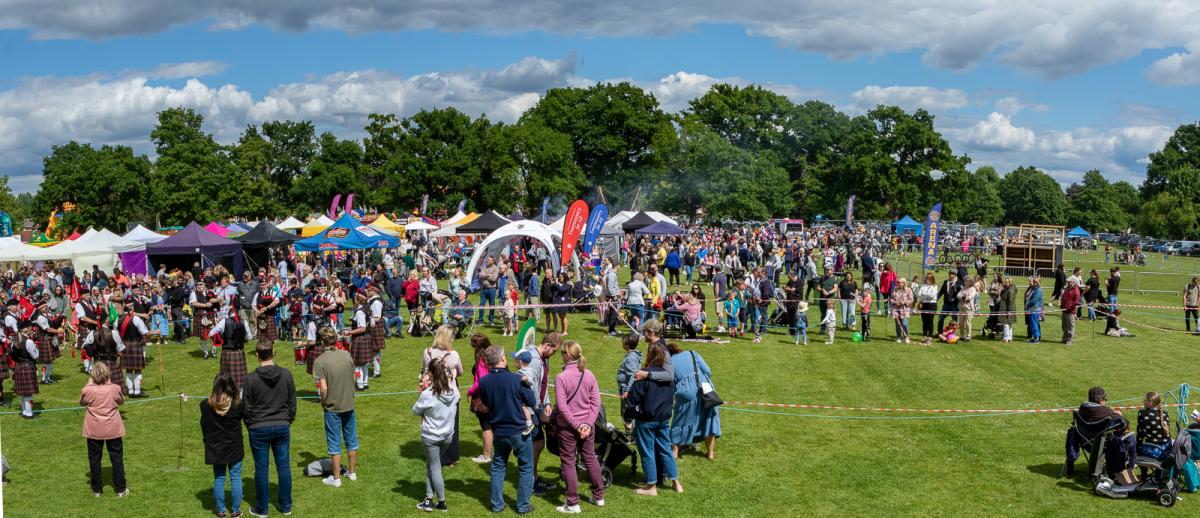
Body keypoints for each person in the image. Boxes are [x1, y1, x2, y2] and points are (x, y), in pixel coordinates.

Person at [475, 345, 538, 514]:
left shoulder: (484, 381)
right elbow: (532, 401)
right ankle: (523, 506)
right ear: (502, 359)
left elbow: (487, 403)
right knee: (526, 467)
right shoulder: (516, 379)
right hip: (519, 431)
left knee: (497, 466)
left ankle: (497, 505)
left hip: (499, 431)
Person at [242, 342, 297, 517]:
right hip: (275, 426)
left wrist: (252, 423)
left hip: (263, 426)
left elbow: (246, 407)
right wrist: (286, 420)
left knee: (262, 468)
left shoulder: (251, 379)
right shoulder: (253, 378)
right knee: (283, 466)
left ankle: (265, 508)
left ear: (257, 355)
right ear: (273, 352)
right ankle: (285, 506)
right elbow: (292, 403)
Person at [553, 340, 605, 513]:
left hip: (569, 427)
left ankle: (573, 503)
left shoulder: (561, 378)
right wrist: (587, 424)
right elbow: (596, 403)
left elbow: (562, 407)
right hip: (586, 426)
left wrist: (578, 425)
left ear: (567, 355)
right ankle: (599, 497)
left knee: (568, 462)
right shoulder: (589, 374)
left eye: (562, 353)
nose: (560, 356)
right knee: (590, 457)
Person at [625, 342, 681, 496]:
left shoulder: (643, 374)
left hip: (646, 420)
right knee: (665, 449)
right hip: (663, 418)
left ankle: (651, 486)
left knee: (647, 452)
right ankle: (676, 482)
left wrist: (628, 418)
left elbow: (632, 399)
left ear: (650, 355)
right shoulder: (668, 376)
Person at [413, 356, 460, 512]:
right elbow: (455, 394)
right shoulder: (453, 390)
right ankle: (428, 498)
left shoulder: (428, 394)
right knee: (432, 465)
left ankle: (441, 502)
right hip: (447, 436)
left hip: (431, 437)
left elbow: (415, 410)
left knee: (435, 467)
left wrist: (422, 391)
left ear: (431, 374)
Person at [314, 330, 358, 488]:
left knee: (334, 442)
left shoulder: (320, 361)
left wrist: (323, 403)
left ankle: (336, 478)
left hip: (333, 406)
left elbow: (323, 388)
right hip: (349, 403)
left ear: (322, 342)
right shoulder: (346, 355)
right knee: (351, 439)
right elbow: (353, 377)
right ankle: (352, 473)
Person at [201, 372, 245, 518]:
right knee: (235, 477)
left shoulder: (207, 405)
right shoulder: (237, 404)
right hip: (232, 446)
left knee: (220, 478)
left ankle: (222, 511)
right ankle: (235, 510)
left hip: (217, 447)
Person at [666, 342, 720, 460]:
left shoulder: (669, 362)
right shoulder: (692, 353)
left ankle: (674, 452)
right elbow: (708, 371)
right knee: (709, 420)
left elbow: (670, 382)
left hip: (686, 390)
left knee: (679, 420)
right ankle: (710, 454)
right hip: (706, 389)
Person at [81, 363, 127, 497]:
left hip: (95, 428)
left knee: (94, 459)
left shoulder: (87, 390)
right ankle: (120, 489)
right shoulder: (115, 388)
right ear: (107, 374)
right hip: (112, 427)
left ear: (92, 375)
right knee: (116, 458)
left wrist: (89, 384)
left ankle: (97, 490)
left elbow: (82, 402)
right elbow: (121, 401)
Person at [420, 326, 464, 467]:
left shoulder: (428, 352)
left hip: (432, 392)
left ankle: (435, 453)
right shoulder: (454, 355)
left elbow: (425, 370)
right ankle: (450, 457)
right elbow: (461, 372)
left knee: (433, 422)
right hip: (450, 393)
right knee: (452, 424)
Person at [210, 299, 255, 387]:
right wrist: (242, 338)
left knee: (226, 382)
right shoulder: (244, 322)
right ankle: (241, 398)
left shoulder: (224, 322)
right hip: (239, 352)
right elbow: (249, 337)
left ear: (230, 309)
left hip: (227, 353)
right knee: (240, 383)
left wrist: (221, 339)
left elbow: (211, 333)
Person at [11, 326, 40, 418]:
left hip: (18, 366)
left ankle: (25, 411)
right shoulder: (29, 341)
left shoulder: (15, 341)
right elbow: (35, 356)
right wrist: (37, 349)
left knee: (23, 392)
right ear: (28, 331)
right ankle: (29, 413)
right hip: (28, 367)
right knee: (28, 392)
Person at [347, 295, 373, 391]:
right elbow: (371, 323)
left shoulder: (359, 312)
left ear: (358, 301)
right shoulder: (365, 309)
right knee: (364, 364)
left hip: (360, 338)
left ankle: (360, 385)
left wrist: (349, 332)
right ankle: (365, 384)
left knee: (357, 364)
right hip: (366, 337)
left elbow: (362, 328)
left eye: (355, 298)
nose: (353, 300)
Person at [1136, 392, 1171, 458]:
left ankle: (1144, 468)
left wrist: (1137, 450)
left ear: (1150, 403)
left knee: (1134, 456)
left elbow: (1140, 434)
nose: (1143, 401)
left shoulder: (1142, 413)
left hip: (1153, 450)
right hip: (1167, 450)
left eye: (1145, 400)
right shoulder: (1165, 414)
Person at [890, 277, 914, 344]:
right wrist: (895, 302)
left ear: (904, 283)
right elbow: (891, 299)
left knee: (904, 324)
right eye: (897, 282)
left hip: (904, 310)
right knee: (898, 324)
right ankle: (898, 337)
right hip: (896, 309)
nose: (898, 283)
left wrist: (903, 302)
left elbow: (911, 300)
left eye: (899, 282)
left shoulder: (908, 290)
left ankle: (906, 337)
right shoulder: (895, 289)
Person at [1060, 279, 1081, 345]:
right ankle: (1065, 338)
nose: (1068, 283)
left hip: (1070, 311)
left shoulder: (1076, 290)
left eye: (1069, 282)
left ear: (1073, 282)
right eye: (1067, 282)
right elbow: (1064, 297)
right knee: (1064, 326)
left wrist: (1069, 306)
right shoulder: (1067, 288)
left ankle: (1070, 340)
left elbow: (1076, 302)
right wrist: (1062, 305)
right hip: (1064, 310)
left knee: (1070, 326)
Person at [997, 277, 1016, 343]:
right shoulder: (1006, 289)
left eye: (1007, 282)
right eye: (1005, 281)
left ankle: (1005, 338)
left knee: (1006, 323)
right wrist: (1001, 289)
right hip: (1006, 308)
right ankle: (1009, 337)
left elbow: (1011, 301)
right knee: (1009, 323)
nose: (1005, 283)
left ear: (1010, 283)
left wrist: (1009, 311)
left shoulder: (1010, 290)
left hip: (1008, 309)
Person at [1025, 277, 1043, 343]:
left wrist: (1027, 304)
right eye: (1034, 281)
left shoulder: (1038, 290)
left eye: (1036, 281)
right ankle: (1035, 337)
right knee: (1032, 324)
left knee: (1034, 324)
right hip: (1032, 309)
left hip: (1035, 309)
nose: (1034, 282)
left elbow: (1034, 300)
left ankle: (1037, 338)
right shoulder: (1034, 289)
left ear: (1039, 282)